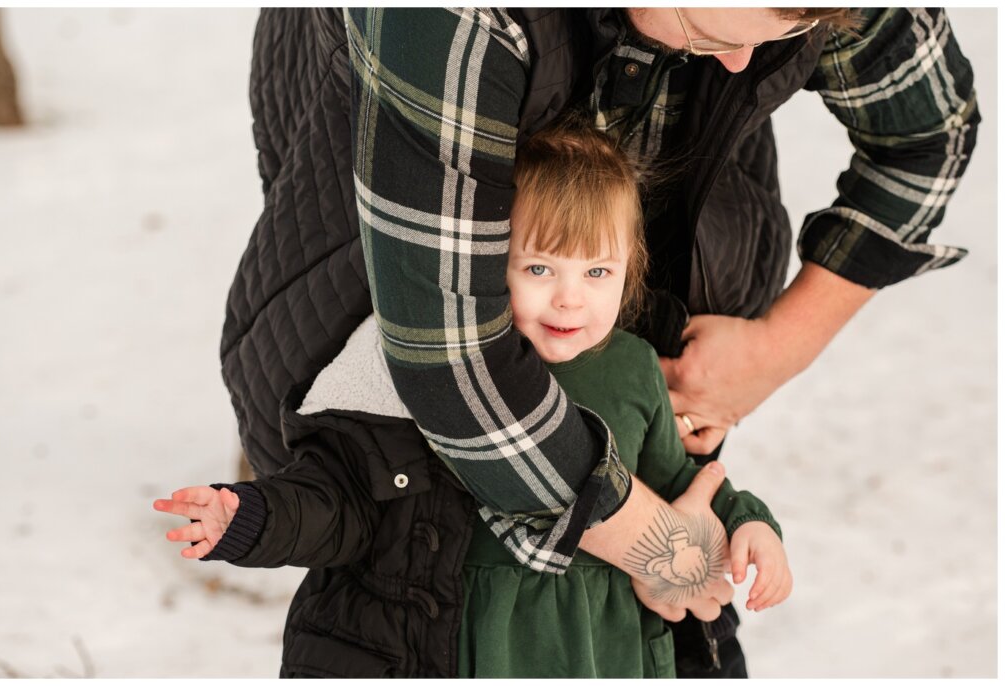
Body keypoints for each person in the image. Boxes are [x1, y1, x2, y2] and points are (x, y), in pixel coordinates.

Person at [219, 8, 979, 677]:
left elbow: (928, 131)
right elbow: (447, 355)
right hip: (413, 345)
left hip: (620, 418)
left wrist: (781, 345)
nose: (745, 64)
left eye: (789, 36)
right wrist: (659, 546)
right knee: (394, 475)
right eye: (709, 34)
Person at [156, 119, 791, 677]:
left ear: (631, 268)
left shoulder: (631, 370)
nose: (571, 298)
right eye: (540, 268)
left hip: (607, 648)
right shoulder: (438, 369)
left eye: (598, 272)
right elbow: (340, 499)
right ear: (490, 264)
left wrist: (750, 523)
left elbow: (683, 479)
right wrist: (250, 518)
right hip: (470, 643)